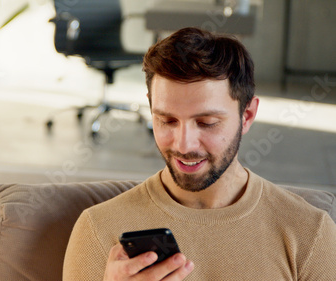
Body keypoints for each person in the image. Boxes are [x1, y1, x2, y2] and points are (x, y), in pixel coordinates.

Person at [62, 27, 336, 280]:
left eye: (206, 123)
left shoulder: (309, 233)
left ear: (247, 115)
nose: (184, 145)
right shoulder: (98, 230)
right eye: (167, 121)